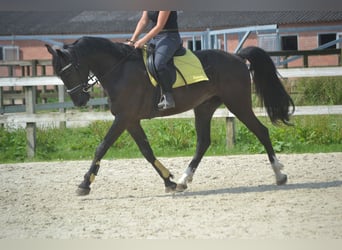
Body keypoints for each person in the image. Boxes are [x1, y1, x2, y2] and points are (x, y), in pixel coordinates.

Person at [127, 11, 182, 110]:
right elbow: (143, 21)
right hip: (155, 38)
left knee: (158, 64)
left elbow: (159, 26)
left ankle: (168, 96)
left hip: (169, 37)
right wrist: (133, 39)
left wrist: (142, 40)